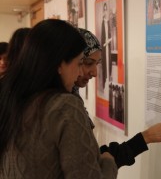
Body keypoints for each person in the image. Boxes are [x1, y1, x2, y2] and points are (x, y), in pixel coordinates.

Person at [0, 19, 117, 179]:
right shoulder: (65, 106)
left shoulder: (10, 97)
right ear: (60, 65)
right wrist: (108, 163)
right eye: (80, 63)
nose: (80, 73)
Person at [74, 28, 161, 168]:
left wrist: (146, 137)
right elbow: (90, 168)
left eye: (97, 64)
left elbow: (93, 159)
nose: (95, 73)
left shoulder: (72, 100)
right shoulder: (64, 108)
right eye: (88, 63)